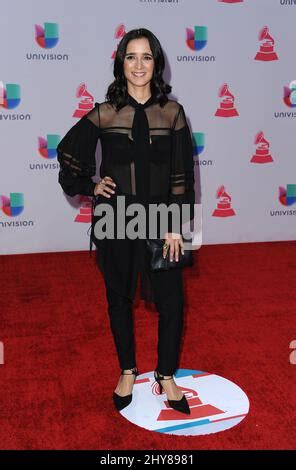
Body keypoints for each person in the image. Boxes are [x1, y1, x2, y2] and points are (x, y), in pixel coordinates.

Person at [57, 28, 195, 415]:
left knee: (172, 301)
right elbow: (69, 152)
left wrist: (174, 225)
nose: (138, 65)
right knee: (118, 297)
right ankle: (128, 370)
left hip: (159, 219)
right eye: (131, 56)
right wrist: (90, 183)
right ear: (120, 62)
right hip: (115, 219)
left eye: (146, 57)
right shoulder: (105, 112)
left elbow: (182, 173)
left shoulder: (172, 113)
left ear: (157, 63)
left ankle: (166, 374)